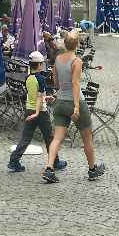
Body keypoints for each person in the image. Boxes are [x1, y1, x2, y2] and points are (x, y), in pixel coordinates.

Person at [42, 31, 105, 184]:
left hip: (60, 102)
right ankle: (92, 169)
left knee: (57, 138)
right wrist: (76, 107)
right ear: (77, 45)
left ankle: (49, 168)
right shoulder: (76, 61)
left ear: (64, 44)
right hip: (75, 102)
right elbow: (76, 84)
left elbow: (56, 83)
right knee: (87, 138)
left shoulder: (57, 59)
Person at [8, 51, 67, 174]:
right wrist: (38, 111)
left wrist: (47, 98)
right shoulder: (40, 79)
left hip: (29, 109)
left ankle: (14, 160)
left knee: (26, 138)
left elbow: (33, 96)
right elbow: (39, 97)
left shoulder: (28, 78)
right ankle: (55, 161)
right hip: (40, 112)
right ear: (39, 64)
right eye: (42, 63)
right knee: (49, 138)